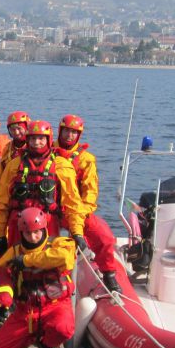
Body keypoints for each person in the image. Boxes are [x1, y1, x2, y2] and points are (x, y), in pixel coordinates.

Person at [0, 207, 76, 348]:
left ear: (44, 229)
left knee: (64, 328)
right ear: (21, 233)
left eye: (37, 232)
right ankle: (31, 335)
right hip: (26, 312)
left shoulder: (58, 244)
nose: (33, 237)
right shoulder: (14, 252)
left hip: (55, 306)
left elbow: (65, 258)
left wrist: (27, 260)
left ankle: (46, 346)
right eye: (28, 233)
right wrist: (3, 293)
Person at [0, 120, 87, 251]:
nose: (36, 143)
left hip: (47, 224)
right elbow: (1, 202)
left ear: (48, 140)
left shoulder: (61, 166)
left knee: (48, 264)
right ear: (27, 140)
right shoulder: (14, 166)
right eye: (32, 139)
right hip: (19, 224)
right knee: (15, 265)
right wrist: (0, 234)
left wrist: (77, 233)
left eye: (41, 138)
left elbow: (72, 203)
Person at [54, 113, 121, 293]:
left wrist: (80, 213)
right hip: (51, 210)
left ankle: (109, 274)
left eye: (74, 132)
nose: (69, 136)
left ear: (79, 135)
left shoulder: (86, 159)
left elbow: (90, 192)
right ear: (60, 131)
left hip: (76, 211)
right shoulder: (48, 152)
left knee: (104, 237)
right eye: (67, 131)